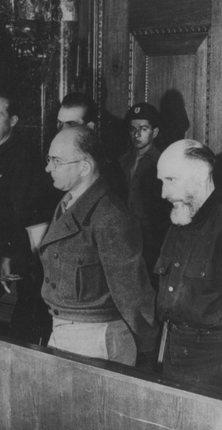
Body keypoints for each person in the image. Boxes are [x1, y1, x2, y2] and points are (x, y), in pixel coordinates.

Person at [40, 125, 158, 366]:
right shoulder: (68, 203)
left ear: (84, 167)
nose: (48, 168)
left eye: (56, 161)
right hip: (64, 330)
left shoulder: (109, 214)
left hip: (95, 338)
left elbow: (131, 291)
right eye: (49, 160)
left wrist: (145, 344)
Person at [155, 139, 222, 392]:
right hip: (174, 353)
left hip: (216, 363)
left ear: (200, 173)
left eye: (171, 180)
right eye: (162, 182)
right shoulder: (179, 218)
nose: (163, 193)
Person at [0, 94, 54, 338]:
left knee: (17, 323)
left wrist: (9, 255)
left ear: (13, 120)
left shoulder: (24, 156)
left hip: (14, 251)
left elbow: (22, 212)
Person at [119, 103, 169, 287]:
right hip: (124, 237)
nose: (137, 134)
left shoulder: (164, 161)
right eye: (132, 129)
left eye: (143, 129)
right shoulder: (121, 162)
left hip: (153, 240)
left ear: (154, 132)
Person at [57, 93, 127, 201]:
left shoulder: (108, 170)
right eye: (59, 123)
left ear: (89, 127)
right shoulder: (54, 163)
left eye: (70, 124)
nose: (62, 131)